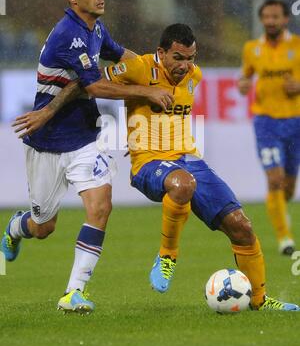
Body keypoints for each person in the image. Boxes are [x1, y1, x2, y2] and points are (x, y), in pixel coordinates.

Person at [16, 23, 300, 311]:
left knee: (241, 226)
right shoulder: (138, 68)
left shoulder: (194, 76)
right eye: (178, 58)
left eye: (191, 58)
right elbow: (87, 85)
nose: (185, 65)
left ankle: (260, 301)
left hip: (188, 158)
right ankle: (167, 257)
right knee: (183, 184)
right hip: (148, 164)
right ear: (161, 53)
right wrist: (49, 111)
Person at [1, 0, 173, 314]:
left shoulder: (95, 28)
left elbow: (122, 55)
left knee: (101, 206)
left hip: (86, 136)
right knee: (43, 225)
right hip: (47, 141)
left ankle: (73, 292)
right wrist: (147, 91)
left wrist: (157, 69)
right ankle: (16, 228)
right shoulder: (69, 34)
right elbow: (92, 86)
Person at [238, 0, 300, 256]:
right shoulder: (252, 48)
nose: (270, 21)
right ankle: (285, 238)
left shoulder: (297, 45)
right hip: (265, 123)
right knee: (274, 179)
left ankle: (279, 212)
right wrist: (243, 84)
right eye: (266, 17)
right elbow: (246, 75)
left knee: (288, 186)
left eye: (275, 17)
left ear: (286, 19)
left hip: (294, 121)